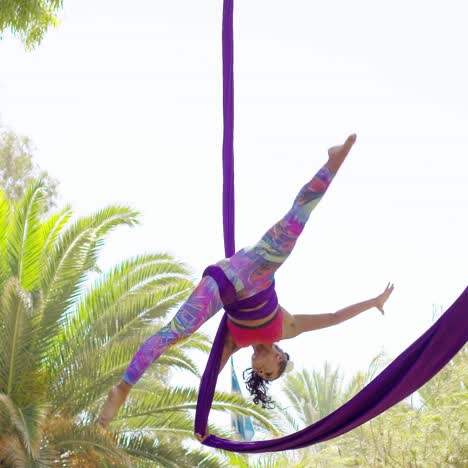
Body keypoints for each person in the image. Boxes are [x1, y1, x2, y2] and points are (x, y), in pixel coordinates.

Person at [99, 134, 394, 429]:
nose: (261, 372)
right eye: (268, 373)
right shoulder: (287, 328)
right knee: (298, 217)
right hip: (259, 265)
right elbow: (334, 317)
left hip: (220, 285)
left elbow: (210, 376)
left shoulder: (234, 341)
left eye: (262, 376)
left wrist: (201, 422)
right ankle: (333, 162)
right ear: (279, 356)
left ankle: (123, 389)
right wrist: (373, 302)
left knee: (174, 333)